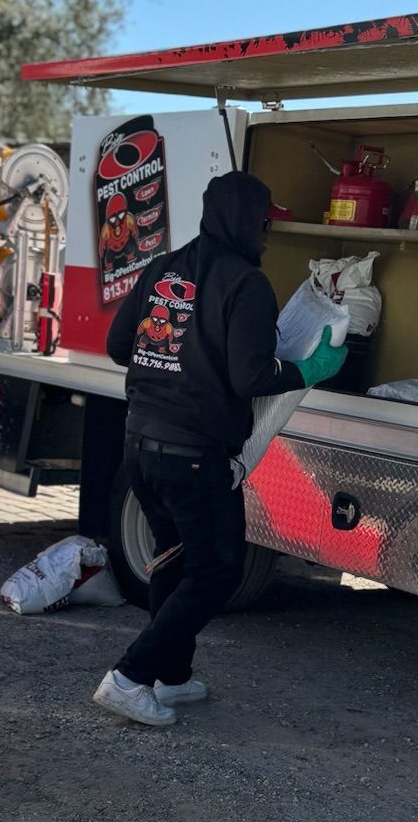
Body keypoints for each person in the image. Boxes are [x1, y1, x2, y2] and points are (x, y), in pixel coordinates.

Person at [93, 169, 346, 727]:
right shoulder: (246, 283)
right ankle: (130, 677)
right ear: (245, 223)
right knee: (215, 571)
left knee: (171, 558)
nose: (266, 236)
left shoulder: (162, 269)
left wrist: (174, 362)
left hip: (139, 445)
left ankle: (169, 676)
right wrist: (310, 368)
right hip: (194, 456)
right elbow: (249, 376)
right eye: (263, 225)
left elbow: (118, 346)